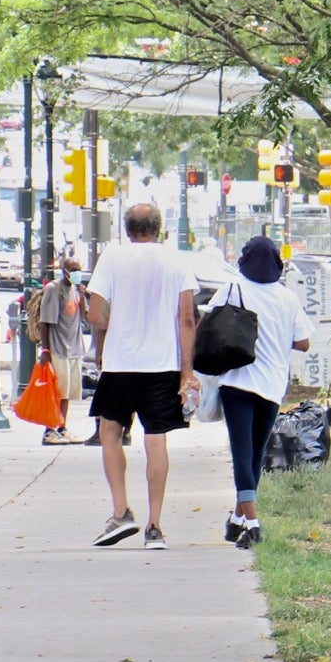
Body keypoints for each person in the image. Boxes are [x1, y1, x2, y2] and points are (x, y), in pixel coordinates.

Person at [84, 204, 199, 550]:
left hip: (120, 363)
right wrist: (187, 371)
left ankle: (121, 511)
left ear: (128, 230)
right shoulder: (177, 261)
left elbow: (94, 314)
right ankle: (154, 527)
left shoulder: (113, 258)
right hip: (162, 365)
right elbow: (187, 319)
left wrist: (117, 323)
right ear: (159, 230)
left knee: (110, 431)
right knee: (156, 438)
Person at [211, 237, 314, 548]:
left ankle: (253, 523)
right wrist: (277, 336)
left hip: (238, 381)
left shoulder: (232, 288)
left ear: (244, 261)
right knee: (255, 455)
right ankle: (239, 519)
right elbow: (305, 342)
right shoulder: (287, 298)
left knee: (241, 453)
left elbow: (209, 323)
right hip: (272, 386)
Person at [38, 258, 86, 445]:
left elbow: (83, 317)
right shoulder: (53, 289)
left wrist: (82, 298)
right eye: (73, 269)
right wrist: (45, 349)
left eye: (79, 269)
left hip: (74, 347)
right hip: (58, 347)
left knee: (68, 393)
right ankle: (49, 430)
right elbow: (45, 322)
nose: (76, 273)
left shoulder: (75, 290)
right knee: (57, 392)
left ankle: (62, 427)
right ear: (64, 270)